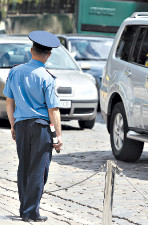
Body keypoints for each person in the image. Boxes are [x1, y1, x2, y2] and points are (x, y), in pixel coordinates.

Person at [3, 30, 63, 222]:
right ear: (49, 54)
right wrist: (58, 136)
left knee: (24, 167)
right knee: (39, 169)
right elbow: (53, 110)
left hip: (21, 126)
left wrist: (13, 125)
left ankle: (25, 209)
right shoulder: (47, 77)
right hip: (40, 127)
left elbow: (9, 101)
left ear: (31, 50)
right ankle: (31, 212)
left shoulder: (15, 71)